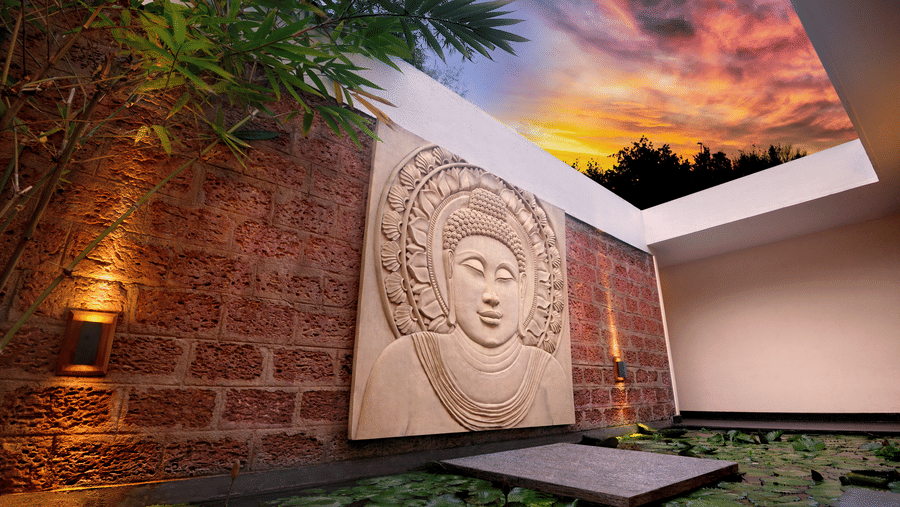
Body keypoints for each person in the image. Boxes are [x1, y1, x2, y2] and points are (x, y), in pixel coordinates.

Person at [356, 188, 569, 438]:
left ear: (522, 287)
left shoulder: (549, 374)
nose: (491, 295)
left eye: (504, 277)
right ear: (448, 269)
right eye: (475, 270)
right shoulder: (400, 364)